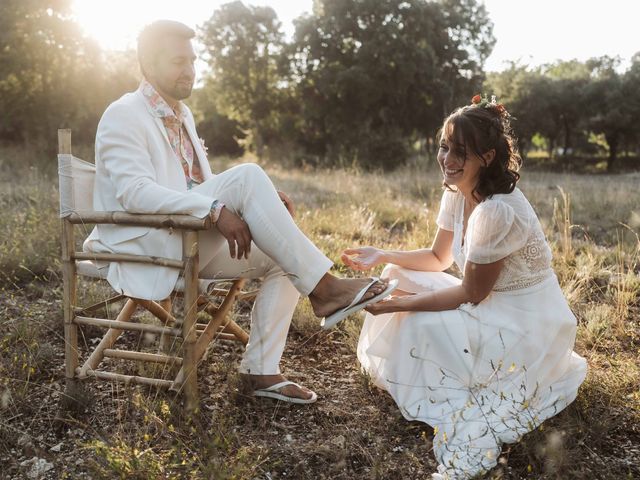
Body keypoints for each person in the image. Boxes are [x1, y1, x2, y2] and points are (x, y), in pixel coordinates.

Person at [84, 20, 395, 405]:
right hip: (146, 245)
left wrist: (260, 205)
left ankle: (261, 372)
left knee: (283, 257)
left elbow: (196, 187)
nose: (190, 70)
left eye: (193, 61)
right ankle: (326, 289)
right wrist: (217, 207)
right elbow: (135, 193)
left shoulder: (183, 116)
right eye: (178, 61)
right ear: (147, 62)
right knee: (247, 176)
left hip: (188, 239)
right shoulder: (123, 113)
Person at [342, 95, 587, 478]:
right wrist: (382, 253)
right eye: (444, 147)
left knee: (415, 320)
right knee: (391, 274)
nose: (447, 159)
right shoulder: (456, 192)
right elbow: (439, 258)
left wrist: (397, 306)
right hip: (486, 299)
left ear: (486, 157)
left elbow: (472, 294)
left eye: (460, 152)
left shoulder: (497, 210)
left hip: (521, 323)